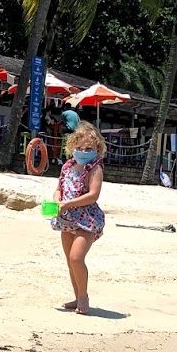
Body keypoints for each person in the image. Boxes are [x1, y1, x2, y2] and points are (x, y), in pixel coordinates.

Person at [51, 122, 107, 315]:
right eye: (80, 148)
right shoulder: (67, 166)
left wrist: (68, 204)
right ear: (73, 147)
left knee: (76, 258)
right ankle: (77, 296)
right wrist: (57, 199)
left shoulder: (95, 168)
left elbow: (93, 195)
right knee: (69, 260)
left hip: (87, 218)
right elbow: (59, 188)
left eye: (89, 148)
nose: (84, 151)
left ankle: (83, 297)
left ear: (97, 149)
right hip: (66, 218)